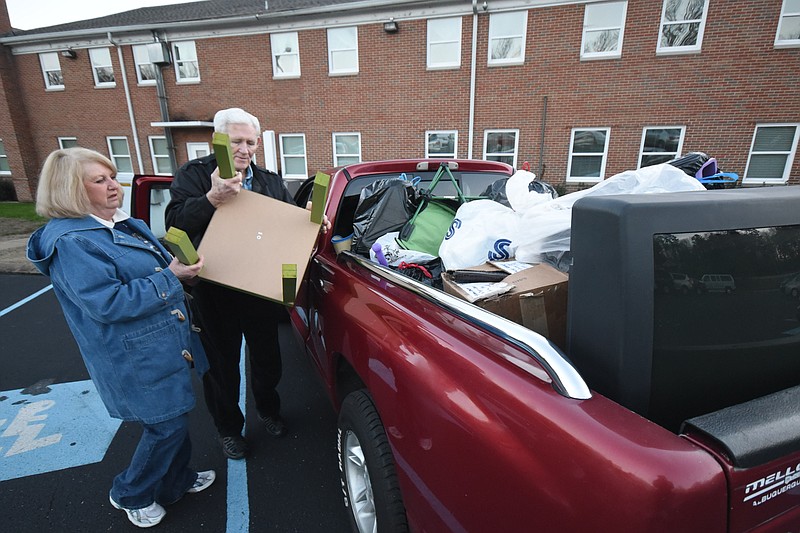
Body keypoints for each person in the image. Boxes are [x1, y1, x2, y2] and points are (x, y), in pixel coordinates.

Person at [27, 148, 215, 529]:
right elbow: (108, 304)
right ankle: (130, 492)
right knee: (166, 425)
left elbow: (160, 264)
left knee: (175, 416)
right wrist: (171, 278)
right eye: (100, 180)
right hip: (133, 355)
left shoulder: (120, 224)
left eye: (113, 176)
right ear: (70, 189)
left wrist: (180, 269)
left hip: (159, 345)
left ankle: (175, 481)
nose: (115, 186)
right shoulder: (73, 243)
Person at [165, 107, 330, 460]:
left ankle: (268, 410)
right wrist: (212, 199)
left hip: (259, 288)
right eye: (237, 141)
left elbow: (289, 224)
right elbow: (174, 222)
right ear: (219, 141)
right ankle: (228, 430)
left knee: (268, 359)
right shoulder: (194, 175)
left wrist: (314, 224)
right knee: (221, 368)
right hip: (214, 288)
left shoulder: (270, 180)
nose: (245, 148)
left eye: (251, 142)